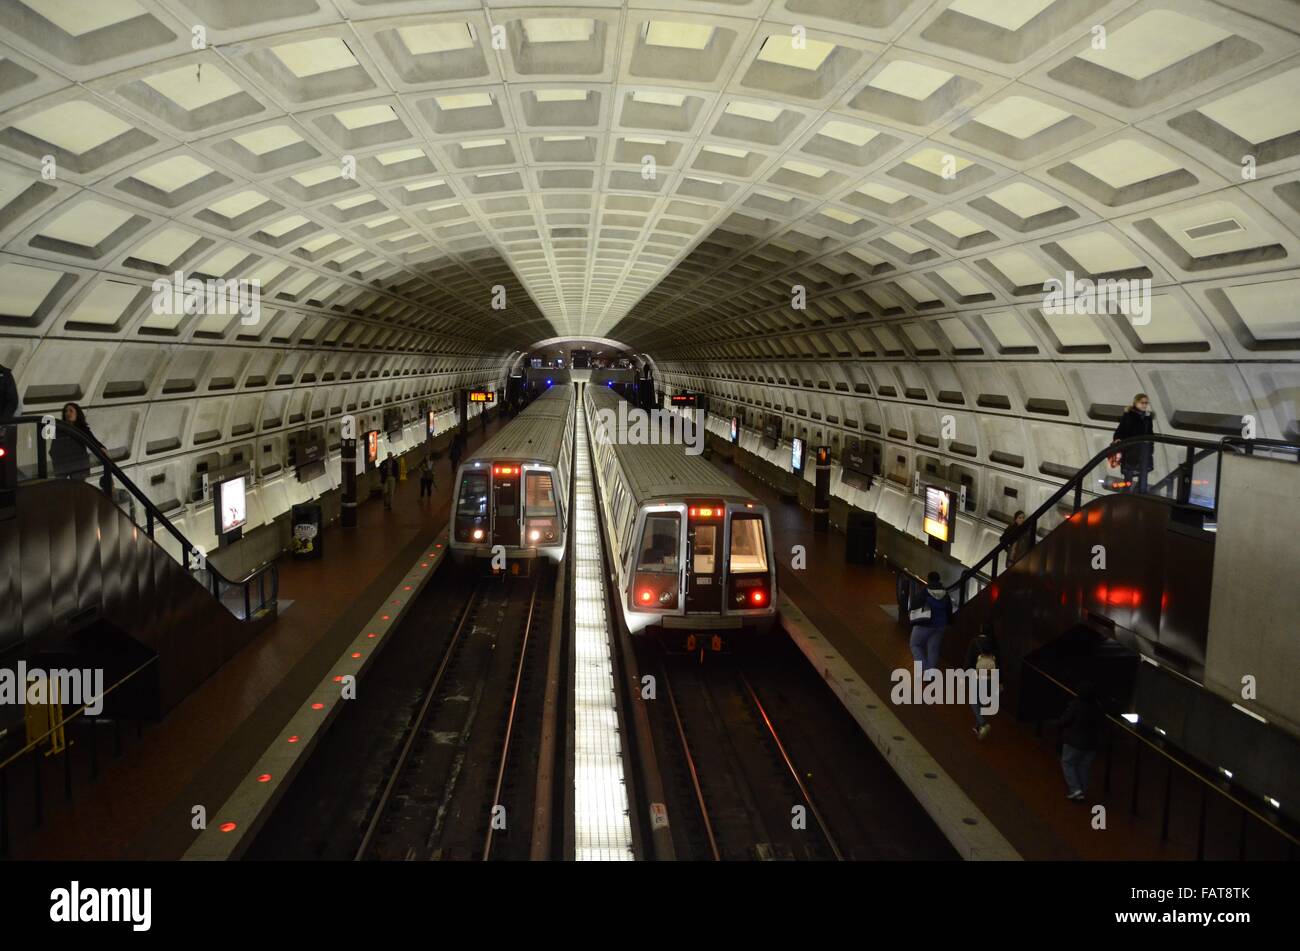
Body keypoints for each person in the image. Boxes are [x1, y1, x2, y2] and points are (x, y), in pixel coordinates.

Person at [1060, 682, 1104, 801]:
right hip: (1092, 743)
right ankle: (1081, 791)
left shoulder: (1076, 705)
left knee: (1067, 763)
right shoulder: (1098, 707)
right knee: (1083, 767)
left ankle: (1076, 790)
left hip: (1074, 741)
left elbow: (1065, 720)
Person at [908, 571, 953, 672]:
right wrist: (949, 623)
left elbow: (915, 605)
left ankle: (924, 668)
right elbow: (949, 610)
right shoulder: (945, 593)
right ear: (938, 580)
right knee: (933, 649)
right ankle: (930, 673)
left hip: (925, 623)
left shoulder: (924, 591)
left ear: (928, 579)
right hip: (940, 625)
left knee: (915, 645)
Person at [50, 402, 104, 483]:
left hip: (78, 465)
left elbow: (92, 440)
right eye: (66, 411)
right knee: (60, 487)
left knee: (78, 488)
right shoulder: (59, 429)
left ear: (77, 414)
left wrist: (102, 448)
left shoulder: (82, 429)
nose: (67, 413)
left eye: (71, 411)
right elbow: (54, 447)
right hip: (62, 464)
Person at [1111, 393, 1154, 492]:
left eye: (1146, 403)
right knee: (1129, 477)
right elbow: (1120, 430)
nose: (1144, 405)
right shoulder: (1129, 415)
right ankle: (1126, 496)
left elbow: (1150, 433)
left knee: (1143, 476)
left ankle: (1139, 497)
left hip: (1144, 451)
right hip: (1131, 451)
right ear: (1136, 402)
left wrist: (1151, 447)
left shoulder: (1148, 417)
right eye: (1142, 402)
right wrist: (1117, 438)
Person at [965, 625, 999, 739]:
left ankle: (983, 723)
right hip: (991, 677)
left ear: (981, 630)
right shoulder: (994, 644)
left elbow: (968, 661)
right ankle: (979, 727)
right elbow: (999, 663)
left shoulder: (974, 642)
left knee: (974, 700)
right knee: (981, 701)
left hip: (977, 676)